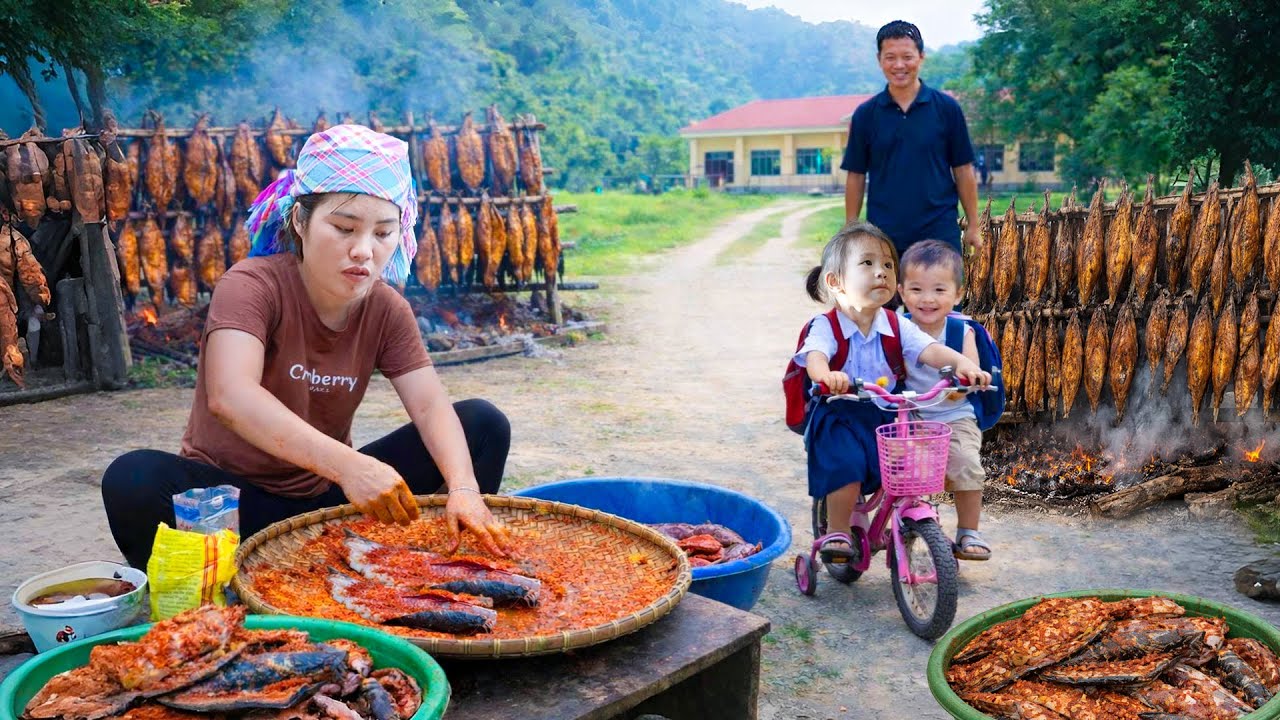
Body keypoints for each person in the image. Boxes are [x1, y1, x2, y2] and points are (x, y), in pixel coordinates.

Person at [101, 125, 512, 570]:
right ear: (300, 220)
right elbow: (230, 396)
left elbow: (431, 407)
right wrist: (351, 467)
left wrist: (464, 489)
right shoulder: (252, 285)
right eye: (343, 227)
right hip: (232, 509)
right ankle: (212, 593)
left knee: (482, 424)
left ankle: (455, 570)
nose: (363, 250)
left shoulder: (386, 309)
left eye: (382, 233)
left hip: (326, 505)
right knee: (133, 478)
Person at [796, 222, 990, 564]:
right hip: (840, 411)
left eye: (887, 264)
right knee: (847, 464)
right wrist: (826, 376)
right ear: (835, 282)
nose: (881, 272)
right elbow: (815, 356)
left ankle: (906, 523)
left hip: (884, 412)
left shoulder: (897, 324)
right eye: (867, 264)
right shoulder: (826, 325)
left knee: (906, 464)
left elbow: (929, 350)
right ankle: (838, 530)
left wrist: (963, 364)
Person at [841, 20, 982, 258]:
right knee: (885, 297)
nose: (899, 65)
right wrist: (851, 229)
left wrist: (974, 225)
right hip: (883, 236)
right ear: (879, 60)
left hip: (939, 233)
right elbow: (855, 175)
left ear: (921, 57)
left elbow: (963, 170)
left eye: (907, 56)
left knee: (939, 296)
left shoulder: (947, 109)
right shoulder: (866, 114)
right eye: (890, 57)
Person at [898, 240, 990, 560]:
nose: (927, 299)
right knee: (900, 469)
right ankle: (901, 521)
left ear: (958, 294)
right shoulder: (897, 328)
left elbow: (971, 366)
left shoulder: (961, 330)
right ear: (901, 291)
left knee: (967, 464)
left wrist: (967, 380)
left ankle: (968, 531)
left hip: (953, 415)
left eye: (939, 290)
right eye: (916, 289)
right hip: (907, 416)